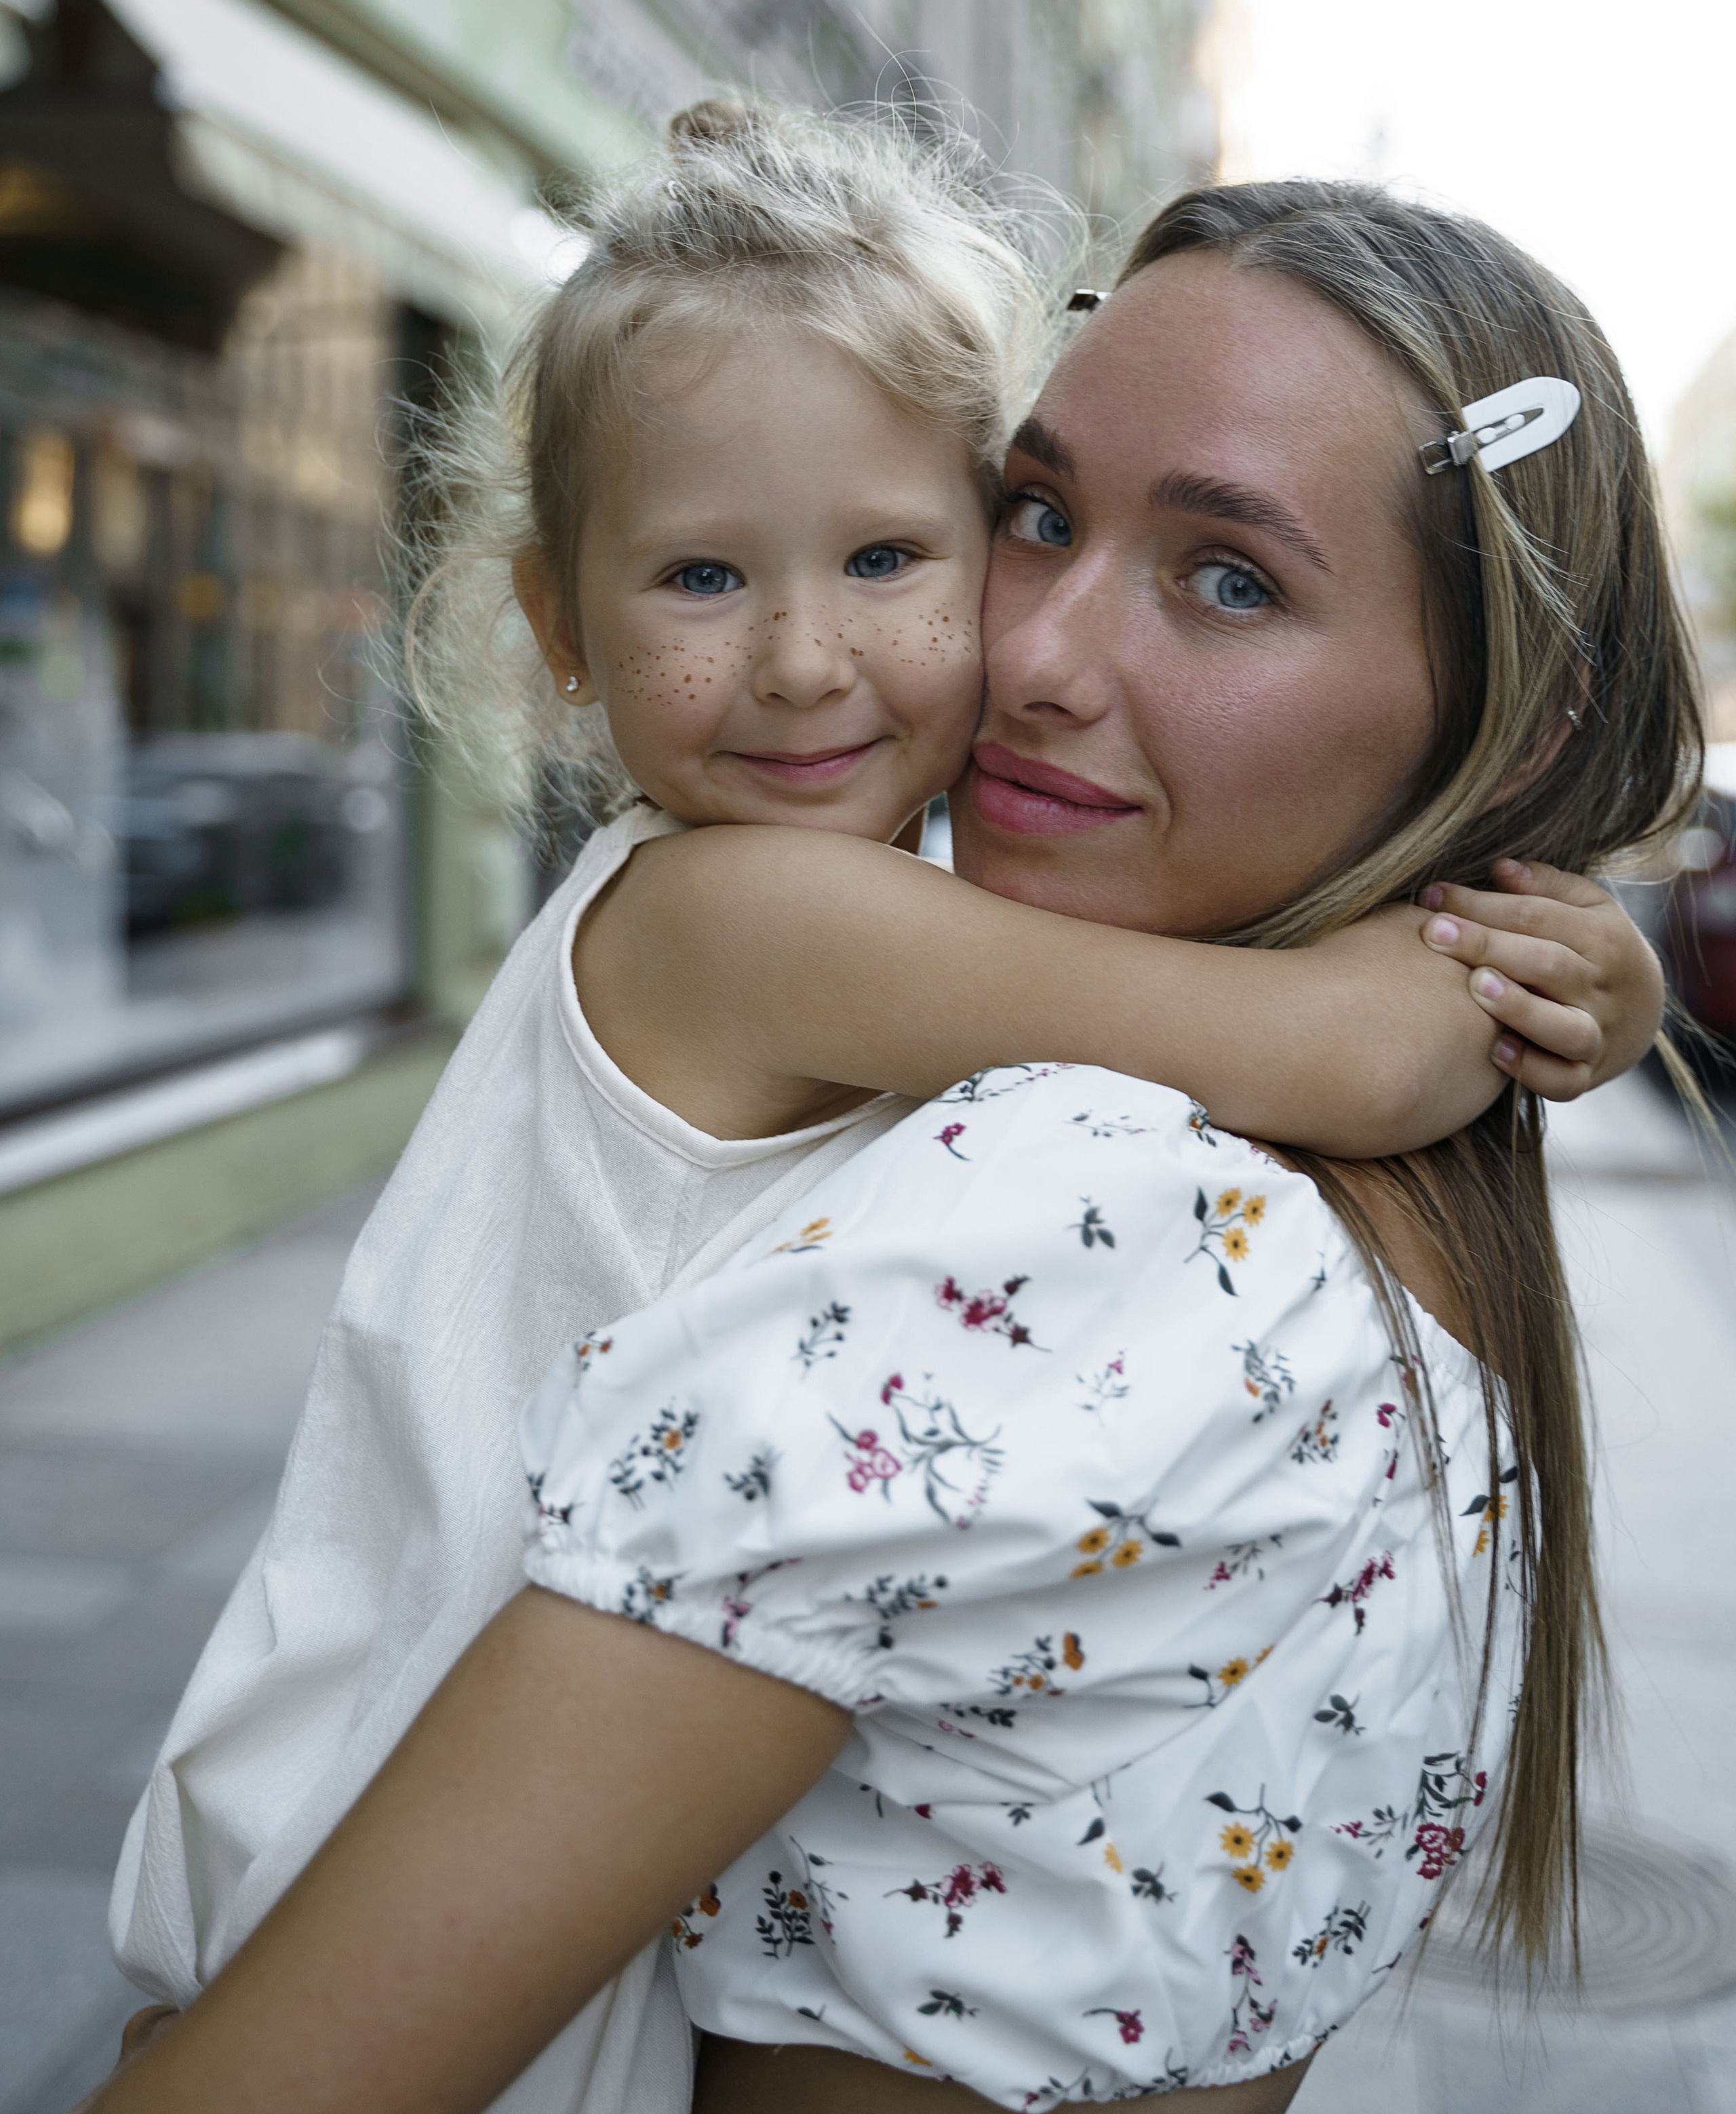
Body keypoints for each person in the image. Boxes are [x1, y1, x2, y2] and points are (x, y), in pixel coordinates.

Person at [87, 177, 1691, 2113]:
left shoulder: (1101, 1215)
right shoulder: (777, 925)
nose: (1027, 658)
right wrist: (1509, 981)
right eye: (1039, 515)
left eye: (1230, 578)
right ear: (558, 619)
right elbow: (1335, 1050)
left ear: (1519, 730)